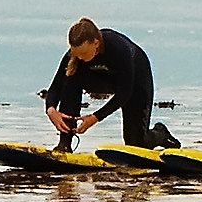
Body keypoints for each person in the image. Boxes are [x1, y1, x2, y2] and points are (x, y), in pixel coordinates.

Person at [43, 19, 168, 150]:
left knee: (136, 144)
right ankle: (64, 144)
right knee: (71, 79)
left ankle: (161, 134)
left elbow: (125, 92)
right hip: (102, 79)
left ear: (95, 43)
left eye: (83, 53)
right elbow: (56, 86)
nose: (79, 57)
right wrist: (51, 110)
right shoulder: (76, 55)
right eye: (76, 53)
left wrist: (95, 117)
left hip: (136, 79)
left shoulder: (118, 49)